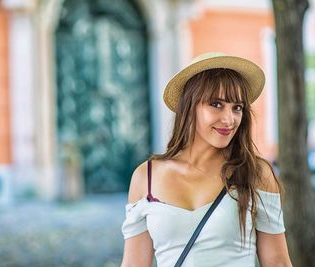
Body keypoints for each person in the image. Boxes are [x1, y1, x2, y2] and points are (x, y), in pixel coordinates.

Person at [120, 52, 293, 267]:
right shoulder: (145, 177)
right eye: (216, 104)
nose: (229, 119)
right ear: (189, 107)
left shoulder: (255, 173)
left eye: (237, 108)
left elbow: (278, 263)